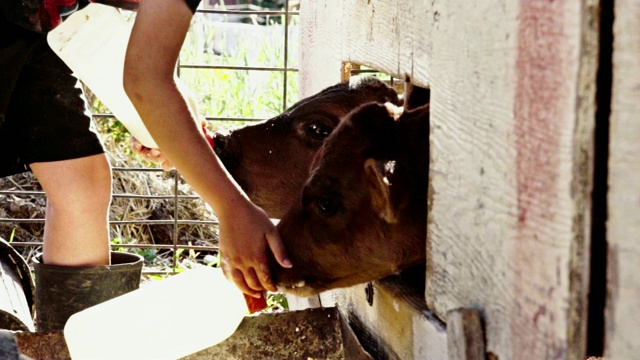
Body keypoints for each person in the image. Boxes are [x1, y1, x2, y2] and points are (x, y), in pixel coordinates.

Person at [0, 0, 291, 331]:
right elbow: (146, 82)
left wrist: (172, 121)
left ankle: (68, 348)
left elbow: (134, 54)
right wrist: (231, 209)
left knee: (81, 185)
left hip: (38, 20)